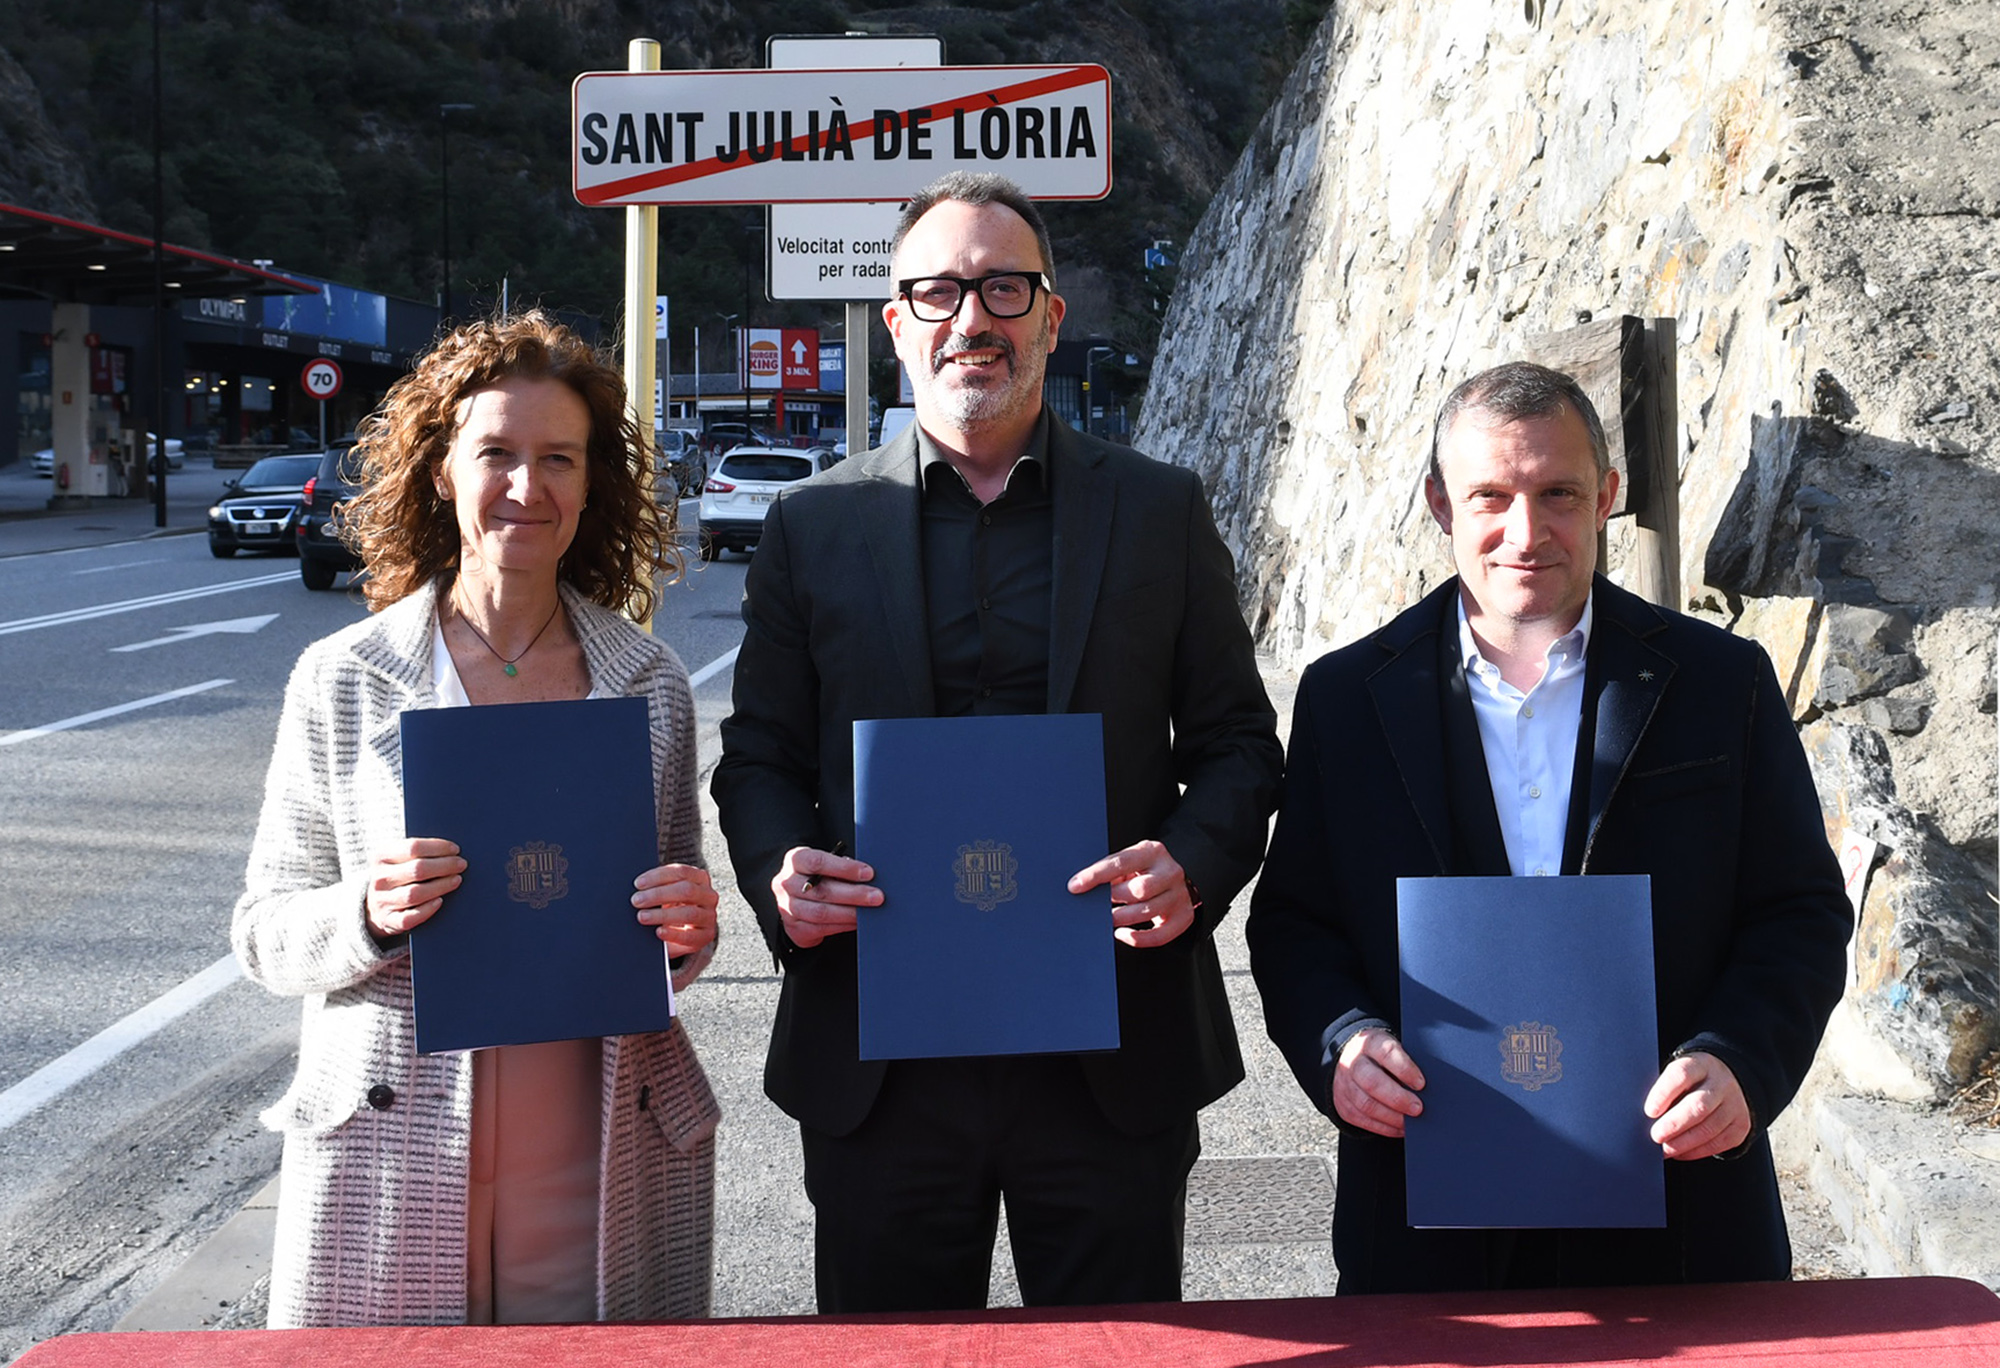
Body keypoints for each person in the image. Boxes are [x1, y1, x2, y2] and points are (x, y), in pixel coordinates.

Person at [712, 172, 1283, 1312]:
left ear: (1051, 316)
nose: (970, 317)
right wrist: (784, 869)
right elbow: (759, 757)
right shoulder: (811, 525)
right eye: (936, 291)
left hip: (1108, 1050)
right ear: (897, 325)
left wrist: (1193, 864)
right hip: (882, 1054)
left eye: (1002, 288)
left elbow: (1236, 745)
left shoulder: (1158, 512)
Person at [1248, 361, 1852, 1293]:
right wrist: (1341, 1041)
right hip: (1424, 1208)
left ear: (1607, 496)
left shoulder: (1722, 682)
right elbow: (1293, 923)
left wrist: (1742, 1061)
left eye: (1558, 493)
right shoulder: (1346, 698)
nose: (1525, 533)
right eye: (1491, 495)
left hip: (1681, 1205)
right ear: (1441, 504)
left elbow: (1800, 911)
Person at [233, 311, 721, 1327]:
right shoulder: (344, 679)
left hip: (594, 1135)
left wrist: (687, 929)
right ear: (442, 470)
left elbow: (673, 921)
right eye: (494, 452)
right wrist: (366, 911)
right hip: (392, 1140)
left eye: (558, 458)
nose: (525, 487)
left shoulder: (649, 682)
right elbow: (265, 932)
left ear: (592, 487)